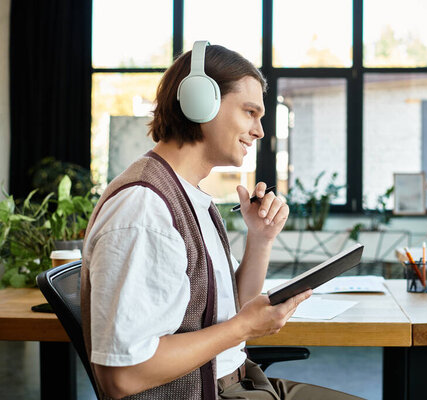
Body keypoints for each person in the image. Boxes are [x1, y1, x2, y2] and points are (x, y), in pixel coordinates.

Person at [80, 42, 362, 400]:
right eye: (250, 112)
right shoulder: (145, 209)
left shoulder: (189, 195)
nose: (259, 131)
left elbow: (230, 310)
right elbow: (123, 376)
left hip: (239, 381)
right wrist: (243, 327)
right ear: (201, 102)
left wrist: (261, 239)